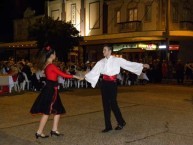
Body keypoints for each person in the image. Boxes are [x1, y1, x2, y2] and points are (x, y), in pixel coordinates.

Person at [85, 44, 149, 133]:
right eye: (103, 50)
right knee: (105, 104)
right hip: (104, 84)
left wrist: (142, 65)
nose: (103, 51)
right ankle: (108, 126)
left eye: (105, 50)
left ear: (110, 51)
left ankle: (121, 122)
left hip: (112, 84)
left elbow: (128, 64)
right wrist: (84, 77)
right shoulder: (101, 62)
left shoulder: (117, 60)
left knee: (113, 103)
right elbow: (93, 72)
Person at [30, 45, 83, 139]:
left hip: (51, 89)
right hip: (51, 91)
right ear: (51, 55)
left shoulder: (46, 64)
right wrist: (76, 77)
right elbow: (63, 75)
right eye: (54, 53)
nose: (55, 55)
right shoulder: (51, 66)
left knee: (58, 110)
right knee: (47, 112)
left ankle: (54, 130)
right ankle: (39, 132)